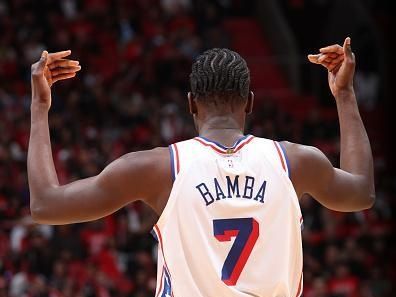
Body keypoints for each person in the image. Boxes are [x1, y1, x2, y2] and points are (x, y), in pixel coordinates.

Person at [28, 37, 375, 297]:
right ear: (250, 102)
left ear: (191, 104)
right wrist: (344, 94)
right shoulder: (295, 161)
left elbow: (46, 205)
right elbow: (361, 193)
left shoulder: (159, 168)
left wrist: (40, 106)